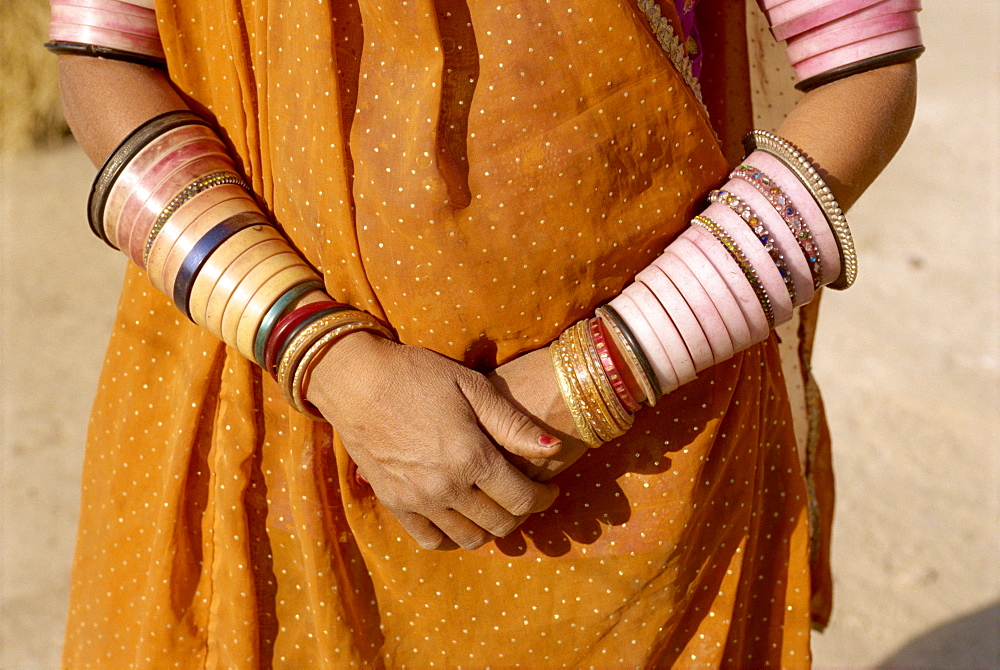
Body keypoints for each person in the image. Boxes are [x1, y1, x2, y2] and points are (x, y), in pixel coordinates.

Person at [50, 0, 920, 666]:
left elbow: (865, 73)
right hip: (268, 422)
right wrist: (324, 357)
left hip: (641, 454)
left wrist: (600, 377)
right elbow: (103, 60)